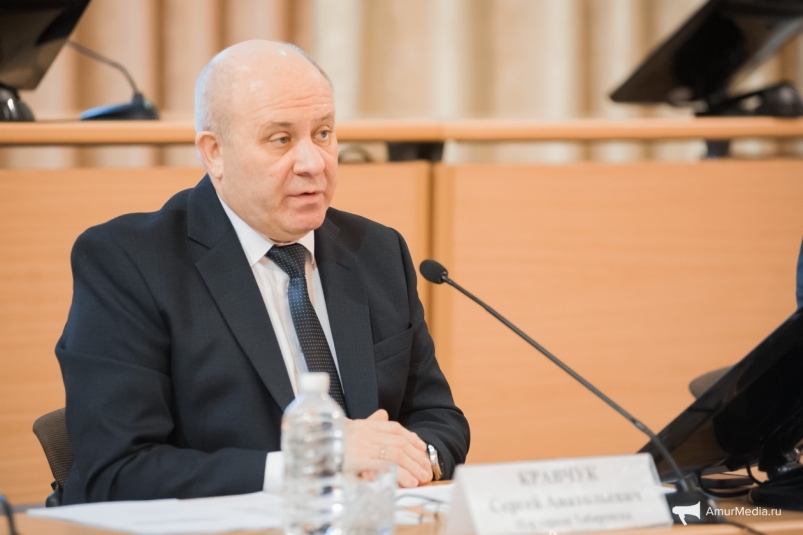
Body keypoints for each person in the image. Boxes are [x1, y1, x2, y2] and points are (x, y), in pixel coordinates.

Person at [56, 40, 469, 504]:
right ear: (214, 152)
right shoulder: (129, 262)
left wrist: (414, 459)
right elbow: (117, 471)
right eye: (281, 139)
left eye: (323, 133)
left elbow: (439, 419)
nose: (313, 163)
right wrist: (313, 463)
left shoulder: (377, 251)